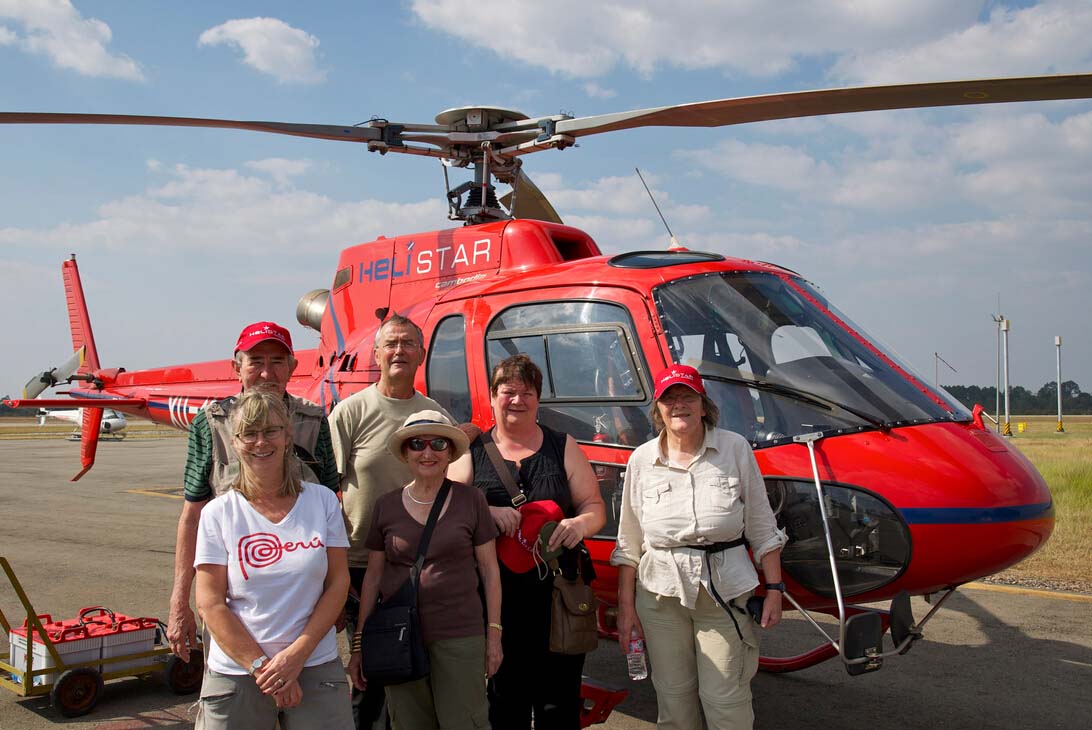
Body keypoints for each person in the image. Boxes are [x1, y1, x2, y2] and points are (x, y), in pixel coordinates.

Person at [611, 365, 788, 730]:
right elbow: (629, 542)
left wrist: (774, 589)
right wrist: (627, 610)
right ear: (658, 410)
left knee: (726, 699)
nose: (679, 405)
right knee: (674, 700)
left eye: (687, 397)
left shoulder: (735, 449)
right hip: (660, 596)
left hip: (723, 594)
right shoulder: (642, 460)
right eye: (669, 399)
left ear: (703, 405)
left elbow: (762, 527)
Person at [448, 353, 606, 730]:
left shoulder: (562, 446)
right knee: (506, 701)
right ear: (491, 396)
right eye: (507, 391)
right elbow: (448, 513)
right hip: (499, 600)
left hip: (559, 597)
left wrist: (580, 524)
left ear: (538, 398)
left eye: (527, 392)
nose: (517, 400)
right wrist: (485, 512)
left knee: (560, 703)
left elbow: (594, 506)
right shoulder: (474, 452)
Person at [168, 321, 340, 663]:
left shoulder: (315, 420)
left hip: (304, 612)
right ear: (237, 367)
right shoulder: (211, 423)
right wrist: (179, 601)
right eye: (255, 361)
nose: (266, 373)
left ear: (292, 367)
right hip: (233, 609)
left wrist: (337, 596)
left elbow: (335, 506)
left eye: (277, 362)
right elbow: (192, 516)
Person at [329, 315, 466, 728]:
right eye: (390, 344)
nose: (399, 351)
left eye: (408, 344)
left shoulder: (434, 414)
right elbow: (324, 490)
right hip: (359, 563)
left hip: (416, 565)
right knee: (370, 667)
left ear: (421, 355)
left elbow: (454, 483)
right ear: (376, 354)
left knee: (410, 661)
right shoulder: (350, 412)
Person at [193, 387, 352, 728]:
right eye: (249, 433)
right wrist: (265, 669)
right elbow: (209, 603)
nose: (260, 442)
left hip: (314, 664)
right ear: (235, 442)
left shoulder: (323, 501)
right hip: (240, 670)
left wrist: (295, 658)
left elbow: (338, 583)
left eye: (270, 431)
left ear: (288, 435)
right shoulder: (218, 513)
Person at [349, 411, 502, 729]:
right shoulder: (386, 505)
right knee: (410, 724)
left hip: (460, 634)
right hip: (398, 637)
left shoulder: (471, 500)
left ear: (450, 453)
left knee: (466, 723)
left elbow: (489, 571)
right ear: (405, 452)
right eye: (417, 444)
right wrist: (360, 644)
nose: (428, 452)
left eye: (438, 444)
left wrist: (494, 635)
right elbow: (373, 578)